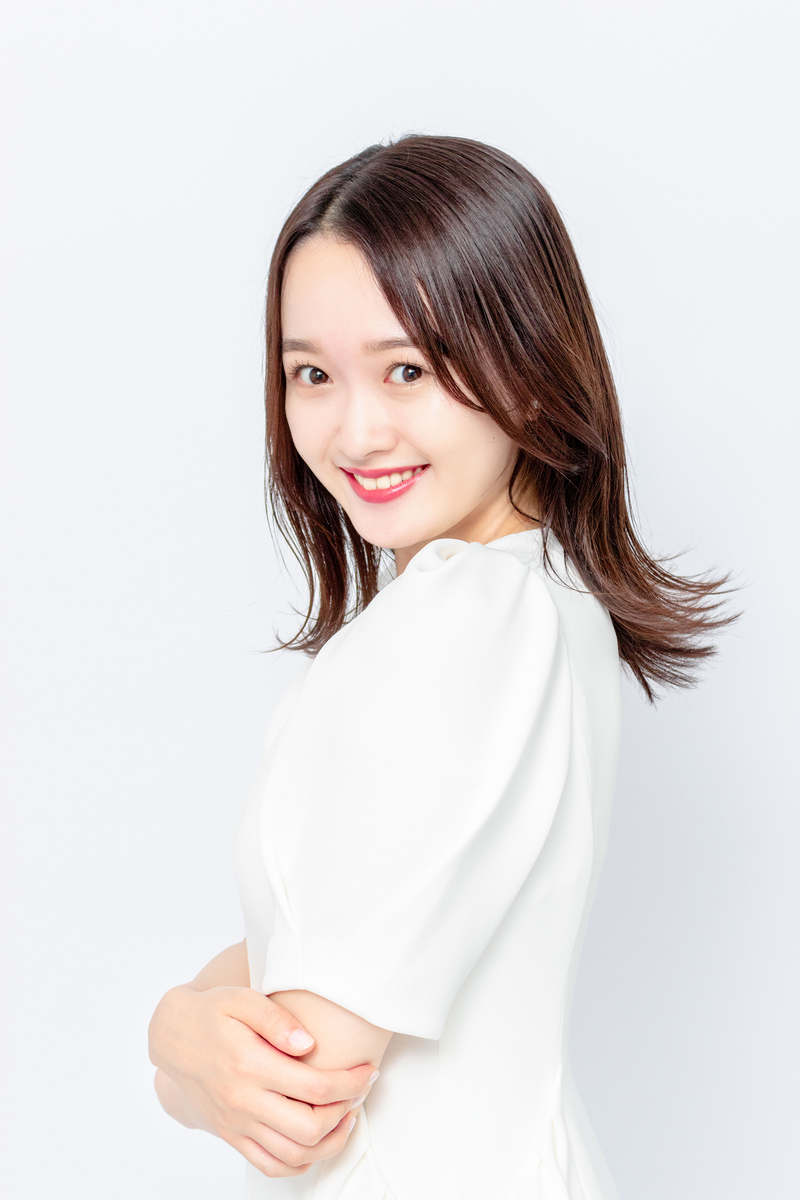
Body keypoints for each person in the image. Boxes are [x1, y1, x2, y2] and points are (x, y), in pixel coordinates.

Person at [147, 135, 733, 1199]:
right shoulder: (536, 600)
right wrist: (181, 1030)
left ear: (525, 360)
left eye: (407, 370)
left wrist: (176, 1041)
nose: (356, 430)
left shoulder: (474, 612)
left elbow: (297, 1085)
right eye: (311, 374)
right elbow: (301, 953)